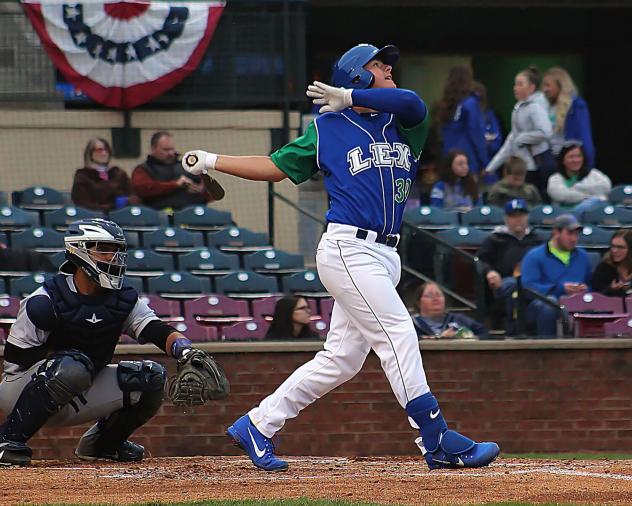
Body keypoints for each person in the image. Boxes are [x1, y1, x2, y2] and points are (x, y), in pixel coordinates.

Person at [182, 43, 499, 472]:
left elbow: (413, 101)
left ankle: (257, 424)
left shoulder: (402, 121)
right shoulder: (327, 128)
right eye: (377, 64)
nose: (388, 67)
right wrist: (215, 160)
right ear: (356, 74)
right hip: (348, 248)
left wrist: (350, 97)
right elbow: (275, 166)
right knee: (398, 332)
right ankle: (436, 438)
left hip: (386, 253)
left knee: (342, 360)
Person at [0, 218, 204, 466]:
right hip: (24, 390)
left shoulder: (122, 298)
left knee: (151, 378)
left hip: (81, 383)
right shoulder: (45, 300)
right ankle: (8, 440)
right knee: (73, 366)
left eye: (116, 250)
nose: (113, 257)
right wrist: (66, 357)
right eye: (104, 250)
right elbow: (15, 360)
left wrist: (185, 350)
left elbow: (155, 328)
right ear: (79, 249)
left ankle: (102, 445)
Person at [484, 66, 555, 200]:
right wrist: (491, 167)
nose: (515, 88)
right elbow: (511, 140)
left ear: (532, 87)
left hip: (534, 166)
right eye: (515, 84)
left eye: (520, 84)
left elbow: (545, 132)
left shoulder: (536, 107)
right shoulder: (519, 107)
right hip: (523, 165)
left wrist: (522, 138)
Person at [520, 214, 592, 337]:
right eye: (570, 234)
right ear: (556, 232)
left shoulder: (583, 257)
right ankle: (548, 350)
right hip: (541, 306)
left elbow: (591, 285)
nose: (574, 239)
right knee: (549, 304)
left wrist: (584, 290)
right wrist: (560, 289)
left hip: (576, 304)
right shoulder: (534, 256)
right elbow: (528, 288)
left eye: (576, 234)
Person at [476, 199, 542, 333]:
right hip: (505, 283)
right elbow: (480, 260)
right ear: (506, 219)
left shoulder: (536, 239)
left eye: (521, 216)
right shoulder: (495, 239)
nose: (518, 220)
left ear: (527, 217)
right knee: (514, 285)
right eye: (513, 216)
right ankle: (514, 332)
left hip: (533, 283)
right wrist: (490, 272)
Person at [131, 131, 211, 211]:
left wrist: (201, 190)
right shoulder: (143, 169)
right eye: (166, 150)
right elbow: (144, 190)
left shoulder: (188, 167)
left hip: (193, 215)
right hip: (158, 217)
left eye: (172, 149)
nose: (170, 153)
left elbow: (212, 194)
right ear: (153, 149)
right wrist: (175, 184)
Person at [435, 66, 488, 175]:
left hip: (449, 162)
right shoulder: (470, 104)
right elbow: (477, 135)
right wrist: (484, 163)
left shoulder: (445, 104)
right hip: (467, 163)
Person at [542, 67, 595, 168]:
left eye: (548, 85)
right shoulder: (546, 106)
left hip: (569, 163)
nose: (545, 90)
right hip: (549, 160)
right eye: (543, 86)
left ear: (560, 85)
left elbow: (584, 136)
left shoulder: (576, 105)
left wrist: (588, 164)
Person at [71, 138, 141, 211]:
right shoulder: (82, 177)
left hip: (122, 216)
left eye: (106, 150)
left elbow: (133, 196)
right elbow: (83, 204)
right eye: (99, 150)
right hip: (96, 217)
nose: (104, 153)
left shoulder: (119, 173)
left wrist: (128, 201)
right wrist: (112, 206)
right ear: (90, 153)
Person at [546, 140, 611, 215]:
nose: (575, 160)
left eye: (579, 156)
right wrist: (588, 197)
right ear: (563, 160)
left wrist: (577, 187)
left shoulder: (593, 173)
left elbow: (606, 187)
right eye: (571, 157)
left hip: (591, 215)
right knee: (595, 200)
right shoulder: (555, 178)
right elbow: (560, 196)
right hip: (564, 217)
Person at [412, 282, 488, 339]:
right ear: (418, 302)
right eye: (430, 295)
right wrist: (440, 338)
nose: (435, 299)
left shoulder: (459, 319)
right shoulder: (411, 324)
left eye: (439, 295)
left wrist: (468, 338)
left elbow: (484, 334)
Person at [592, 229, 632, 297]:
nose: (614, 250)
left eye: (620, 247)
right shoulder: (604, 268)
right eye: (613, 246)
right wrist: (611, 290)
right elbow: (596, 297)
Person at [472, 81, 504, 164]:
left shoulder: (490, 116)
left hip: (489, 163)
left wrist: (485, 144)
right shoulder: (464, 116)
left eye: (480, 100)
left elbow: (497, 141)